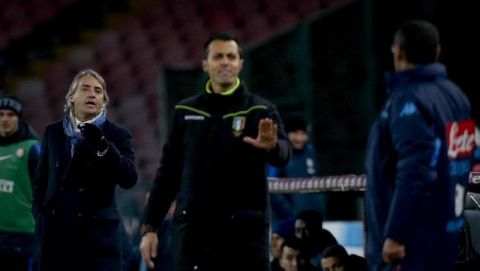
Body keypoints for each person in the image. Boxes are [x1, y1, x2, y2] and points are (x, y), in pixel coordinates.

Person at [140, 32, 291, 271]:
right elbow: (168, 172)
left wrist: (273, 146)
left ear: (240, 64)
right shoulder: (185, 111)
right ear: (205, 64)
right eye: (218, 56)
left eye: (231, 57)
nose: (225, 62)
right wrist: (150, 227)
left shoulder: (261, 110)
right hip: (194, 235)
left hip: (245, 235)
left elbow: (284, 154)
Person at [364, 20, 475, 271]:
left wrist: (395, 234)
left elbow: (415, 170)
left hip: (411, 247)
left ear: (399, 52)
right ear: (437, 52)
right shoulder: (456, 95)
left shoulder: (408, 99)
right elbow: (469, 160)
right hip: (449, 236)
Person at [32, 69, 138, 271]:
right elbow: (40, 180)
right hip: (57, 235)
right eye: (86, 89)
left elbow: (129, 178)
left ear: (103, 101)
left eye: (98, 91)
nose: (92, 94)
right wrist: (40, 217)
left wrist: (103, 144)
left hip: (99, 240)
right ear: (71, 97)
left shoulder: (117, 134)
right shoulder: (53, 132)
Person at [0, 96, 40, 271]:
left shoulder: (32, 148)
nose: (5, 120)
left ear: (19, 118)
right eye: (1, 115)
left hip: (23, 236)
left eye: (11, 115)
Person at [268, 112, 324, 227]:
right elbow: (271, 188)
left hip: (312, 219)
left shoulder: (310, 151)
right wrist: (292, 214)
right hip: (285, 222)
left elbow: (317, 181)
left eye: (303, 133)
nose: (299, 138)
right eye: (295, 133)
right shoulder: (277, 152)